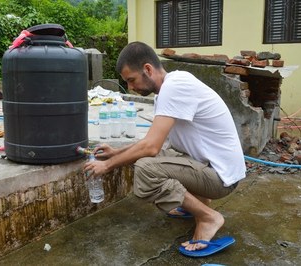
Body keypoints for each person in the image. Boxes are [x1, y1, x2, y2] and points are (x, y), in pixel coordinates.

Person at [84, 41, 246, 256]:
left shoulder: (175, 86)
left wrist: (108, 165)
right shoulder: (169, 89)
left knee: (146, 168)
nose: (130, 87)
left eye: (131, 80)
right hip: (216, 169)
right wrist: (117, 152)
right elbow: (154, 142)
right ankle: (199, 201)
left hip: (220, 179)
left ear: (148, 69)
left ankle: (207, 217)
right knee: (149, 156)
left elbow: (149, 148)